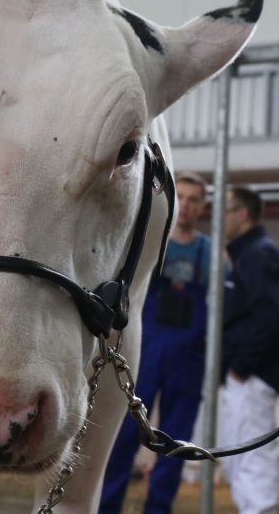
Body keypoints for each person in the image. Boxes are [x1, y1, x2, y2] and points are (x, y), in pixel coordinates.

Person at [100, 171, 211, 514]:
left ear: (203, 207)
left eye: (196, 200)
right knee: (123, 435)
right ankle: (106, 505)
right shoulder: (152, 242)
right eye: (185, 198)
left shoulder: (209, 253)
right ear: (175, 198)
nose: (188, 206)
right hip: (147, 349)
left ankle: (159, 508)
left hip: (188, 356)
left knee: (176, 441)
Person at [220, 186, 279, 514]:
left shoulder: (257, 254)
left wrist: (241, 366)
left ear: (242, 214)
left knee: (251, 457)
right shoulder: (249, 254)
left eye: (225, 210)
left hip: (251, 376)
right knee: (239, 457)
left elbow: (270, 316)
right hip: (247, 375)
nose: (219, 219)